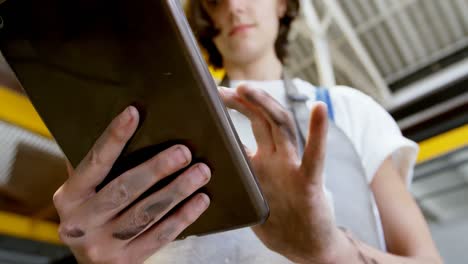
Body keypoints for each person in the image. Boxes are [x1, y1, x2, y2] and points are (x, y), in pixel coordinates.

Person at [52, 0, 443, 263]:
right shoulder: (152, 119)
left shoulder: (349, 108)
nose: (235, 6)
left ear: (283, 5)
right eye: (217, 0)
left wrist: (329, 250)